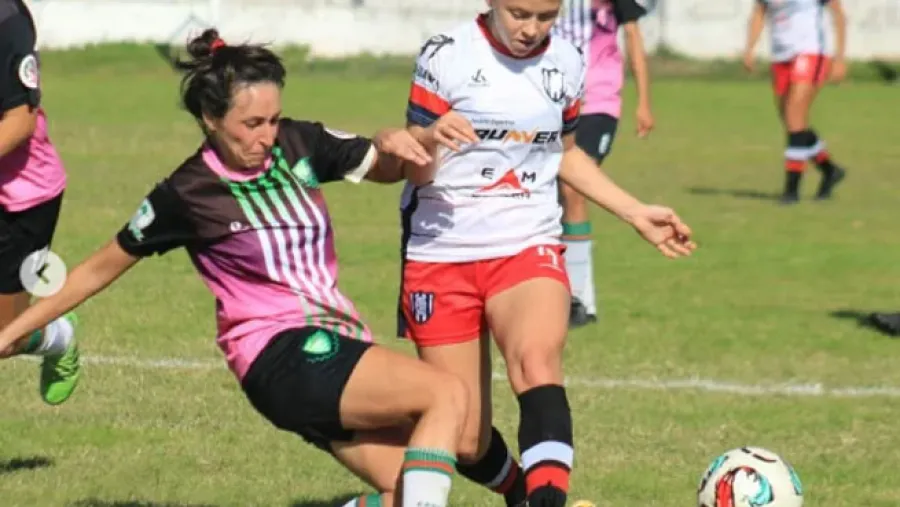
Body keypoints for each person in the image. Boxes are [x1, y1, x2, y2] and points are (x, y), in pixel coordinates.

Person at [0, 29, 469, 507]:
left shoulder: (299, 143)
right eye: (251, 123)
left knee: (406, 491)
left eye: (273, 119)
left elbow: (390, 168)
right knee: (445, 393)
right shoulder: (187, 194)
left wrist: (406, 140)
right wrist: (12, 332)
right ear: (210, 119)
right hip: (281, 355)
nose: (267, 136)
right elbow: (98, 269)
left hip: (336, 341)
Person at [399, 1, 696, 506]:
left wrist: (634, 212)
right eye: (519, 13)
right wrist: (427, 139)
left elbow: (562, 151)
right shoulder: (445, 55)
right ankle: (522, 494)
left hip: (526, 242)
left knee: (536, 360)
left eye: (546, 16)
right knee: (467, 439)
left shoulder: (568, 61)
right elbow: (411, 160)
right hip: (442, 250)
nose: (531, 28)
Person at [552, 0, 655, 328]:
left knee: (573, 189)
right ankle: (555, 293)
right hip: (551, 100)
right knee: (550, 197)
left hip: (599, 101)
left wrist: (643, 102)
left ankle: (581, 298)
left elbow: (633, 39)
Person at [0, 0, 80, 404]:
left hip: (22, 199)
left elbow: (19, 121)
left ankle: (57, 335)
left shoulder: (7, 21)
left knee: (4, 338)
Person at [743, 0, 848, 205]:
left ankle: (791, 190)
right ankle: (830, 170)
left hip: (810, 51)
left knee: (794, 117)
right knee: (793, 123)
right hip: (781, 55)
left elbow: (839, 15)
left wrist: (840, 58)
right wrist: (749, 48)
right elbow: (759, 12)